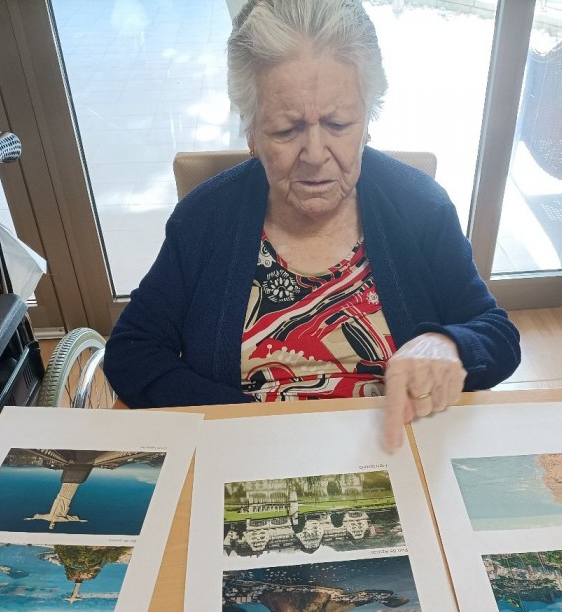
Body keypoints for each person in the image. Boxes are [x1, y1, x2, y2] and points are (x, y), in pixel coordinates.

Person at [104, 0, 520, 451]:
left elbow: (496, 333)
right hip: (246, 454)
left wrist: (449, 344)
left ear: (368, 120)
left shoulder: (420, 207)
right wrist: (240, 421)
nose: (316, 154)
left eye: (338, 123)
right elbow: (132, 350)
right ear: (252, 133)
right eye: (287, 130)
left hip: (396, 452)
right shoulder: (204, 219)